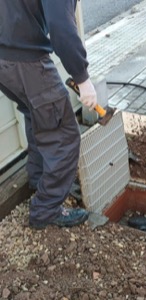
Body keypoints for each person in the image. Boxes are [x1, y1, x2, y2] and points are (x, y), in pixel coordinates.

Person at [0, 0, 97, 229]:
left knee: (37, 117)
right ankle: (47, 210)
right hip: (27, 60)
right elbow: (61, 27)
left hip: (5, 58)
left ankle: (40, 180)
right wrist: (82, 79)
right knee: (63, 135)